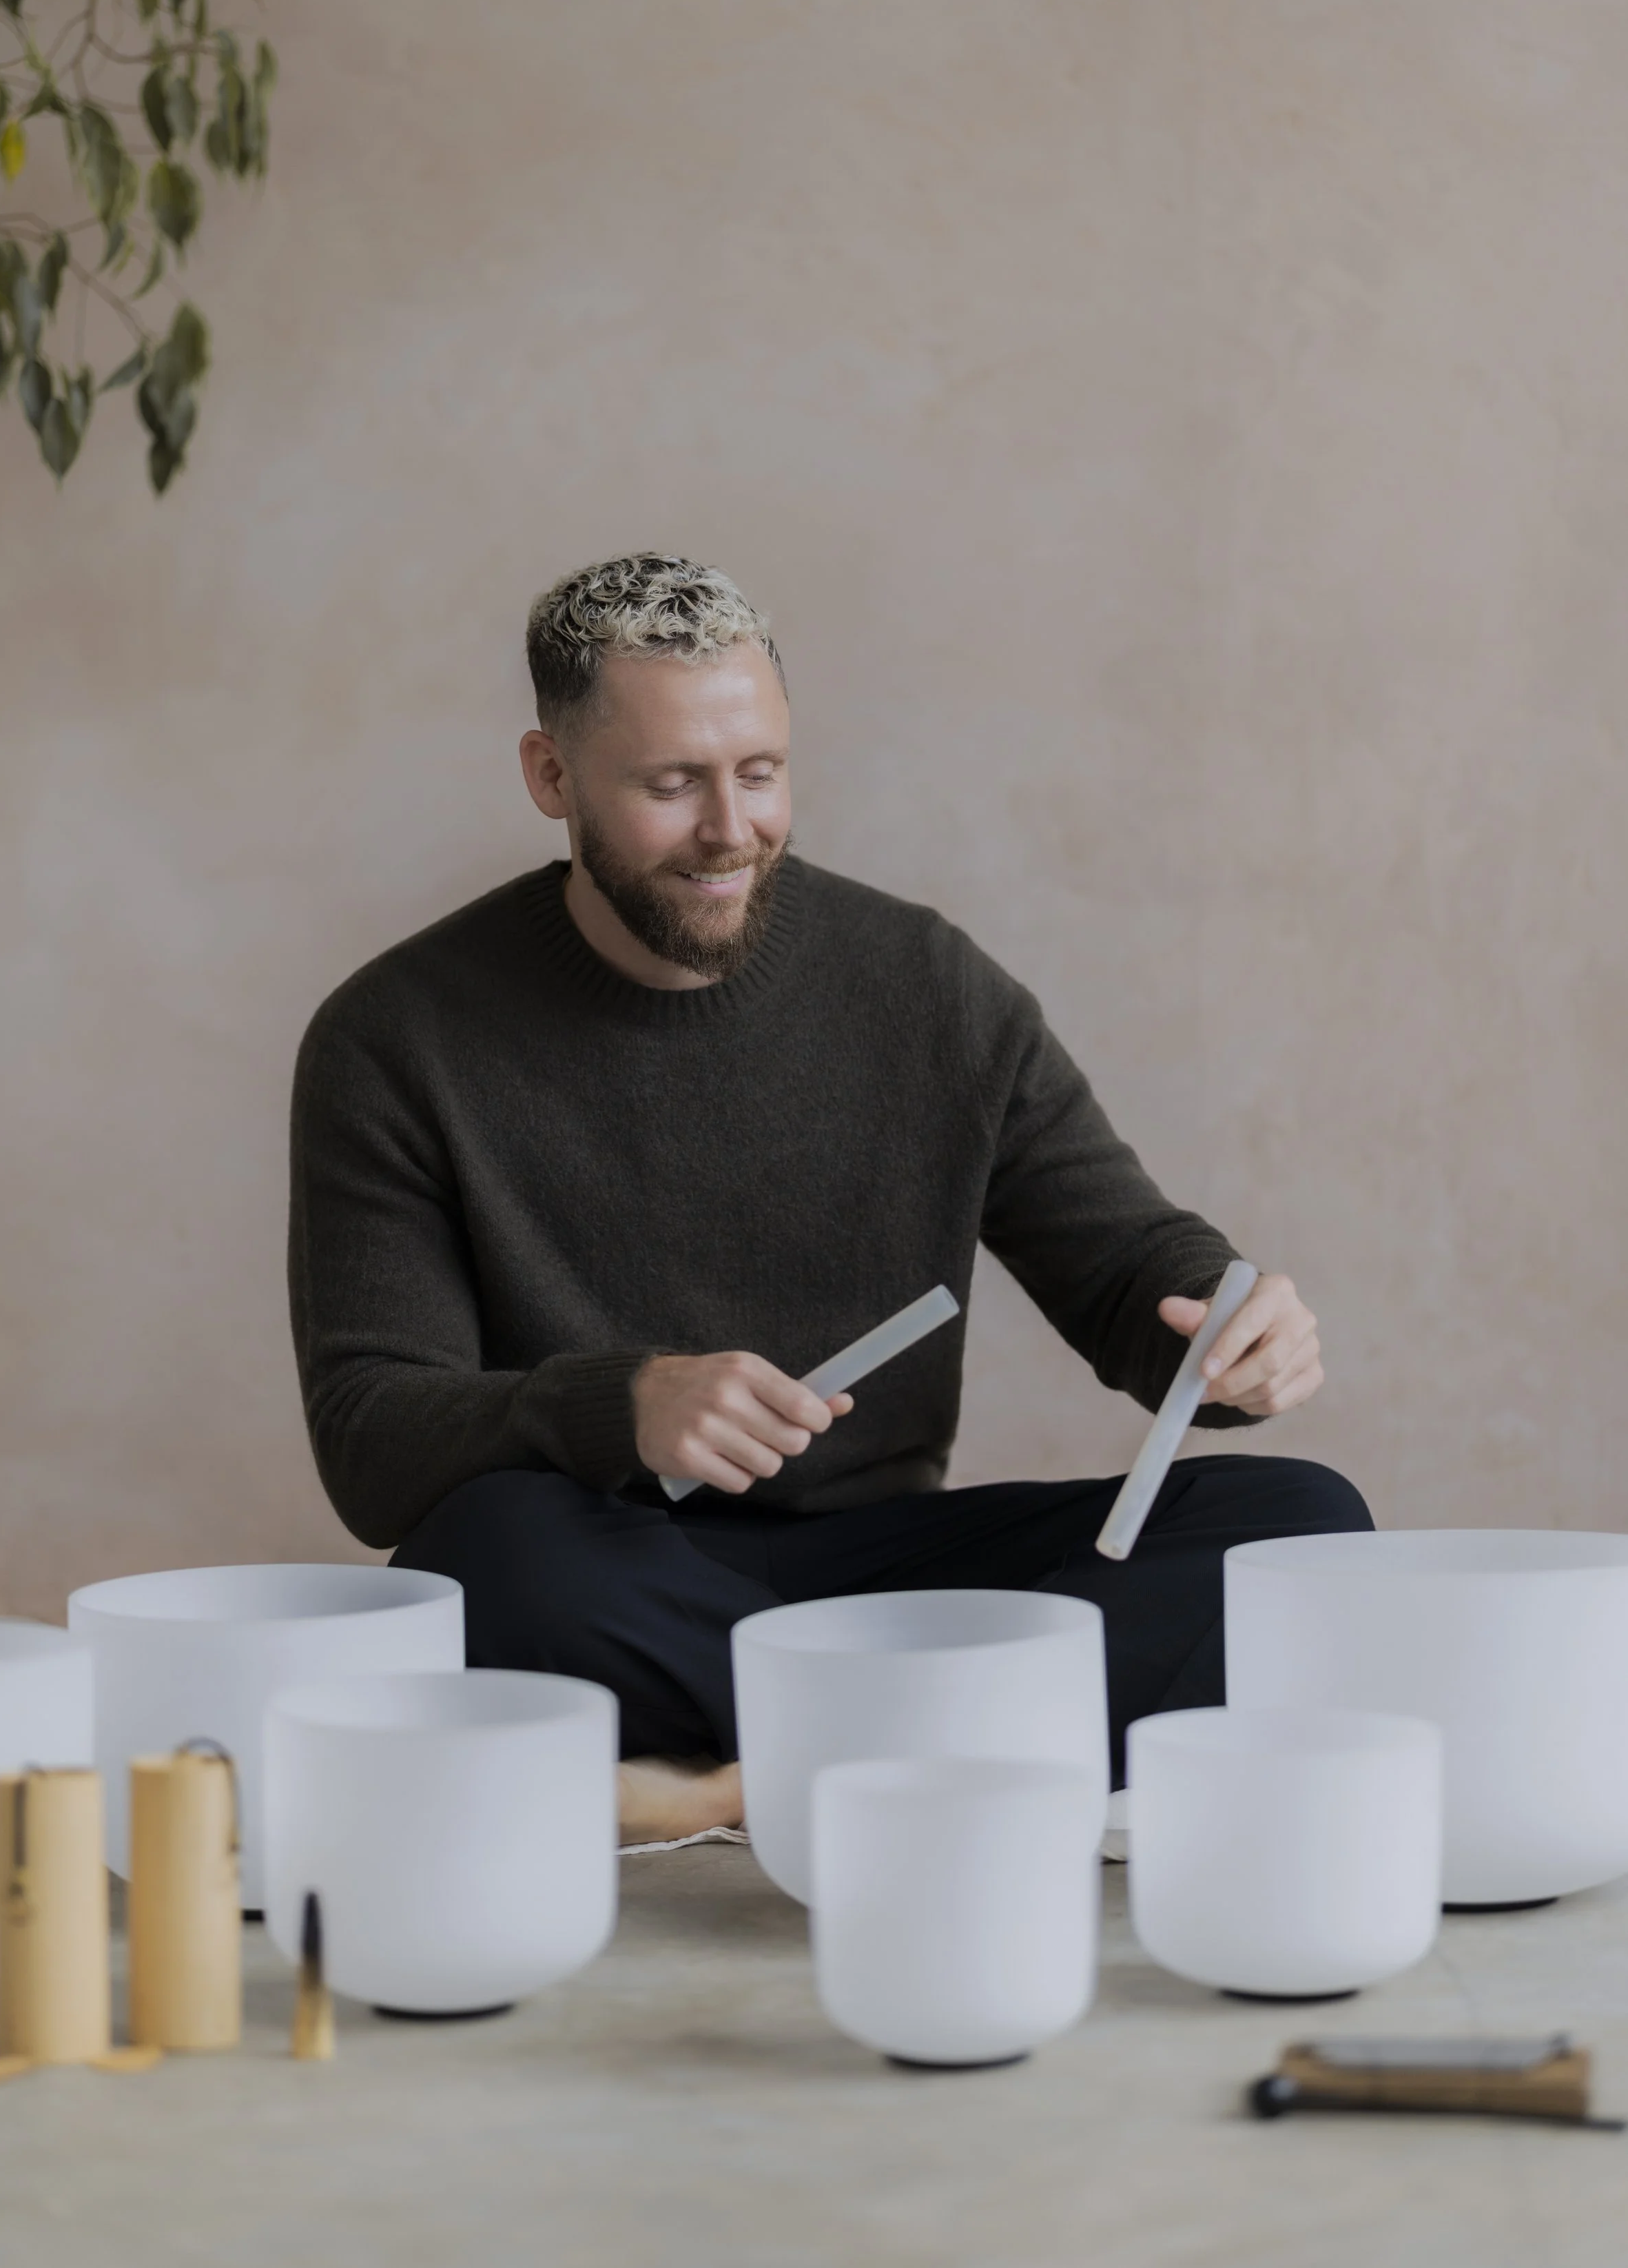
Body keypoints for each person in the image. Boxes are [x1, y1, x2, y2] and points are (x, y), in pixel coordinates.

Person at [289, 556, 1369, 1844]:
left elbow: (1126, 1261)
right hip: (622, 1572)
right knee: (487, 1564)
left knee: (1301, 1532)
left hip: (894, 1581)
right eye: (670, 784)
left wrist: (1228, 1324)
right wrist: (622, 1405)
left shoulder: (926, 988)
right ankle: (951, 1758)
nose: (730, 830)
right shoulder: (393, 1038)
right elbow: (372, 1442)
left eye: (760, 772)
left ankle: (753, 1779)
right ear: (551, 778)